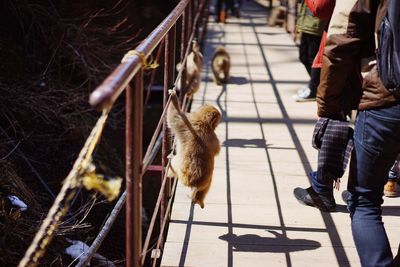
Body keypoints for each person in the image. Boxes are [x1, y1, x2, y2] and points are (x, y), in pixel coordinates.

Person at [300, 0, 400, 265]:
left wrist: (327, 105)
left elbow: (341, 41)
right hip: (386, 99)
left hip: (386, 100)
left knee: (364, 202)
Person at [292, 0, 329, 102]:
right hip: (305, 23)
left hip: (316, 25)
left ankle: (313, 89)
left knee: (313, 59)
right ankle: (316, 85)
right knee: (303, 56)